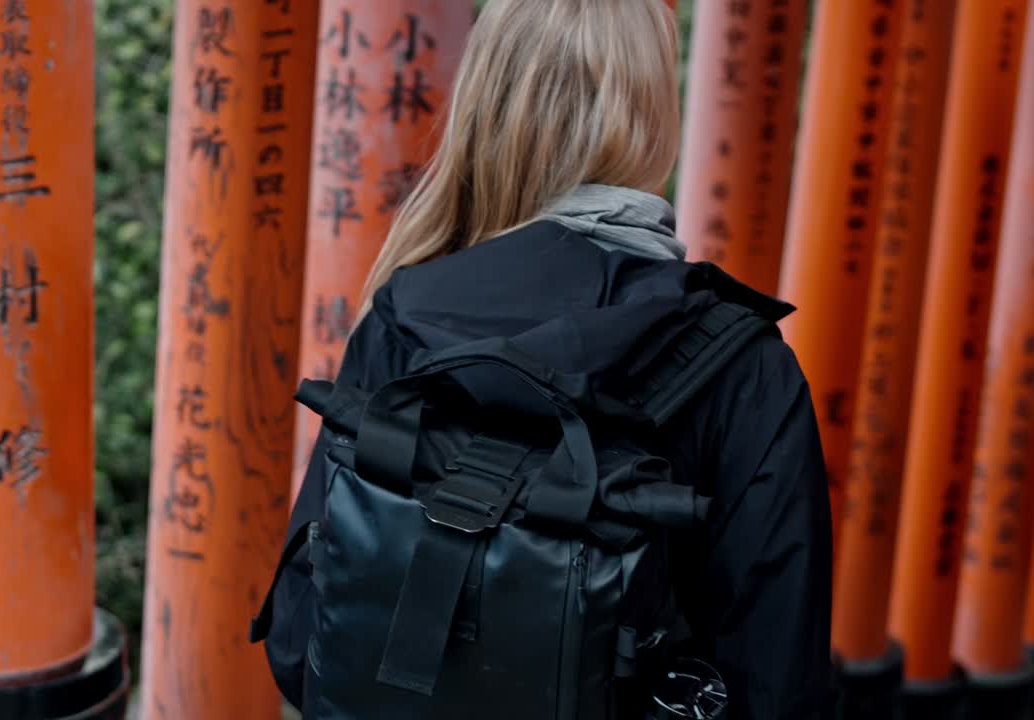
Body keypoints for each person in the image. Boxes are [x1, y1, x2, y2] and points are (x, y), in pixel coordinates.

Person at [264, 0, 833, 717]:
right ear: (656, 109)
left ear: (486, 100)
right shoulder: (743, 367)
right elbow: (780, 681)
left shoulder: (407, 315)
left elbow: (297, 638)